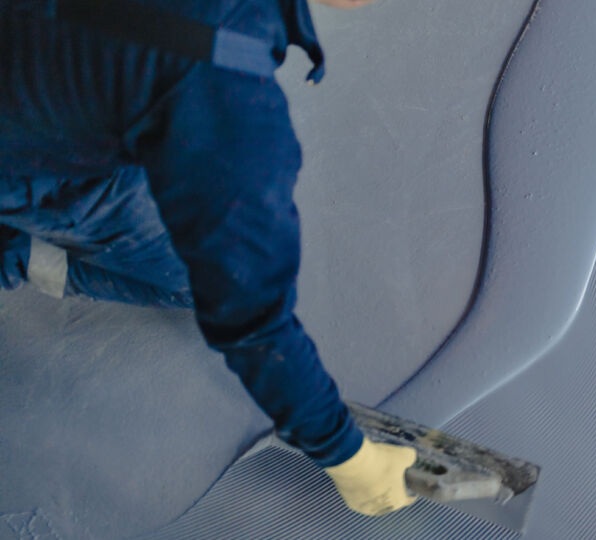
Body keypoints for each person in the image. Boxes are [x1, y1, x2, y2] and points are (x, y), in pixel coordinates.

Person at [0, 0, 417, 516]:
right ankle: (15, 252)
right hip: (31, 155)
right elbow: (253, 320)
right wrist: (348, 457)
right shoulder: (224, 91)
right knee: (193, 278)